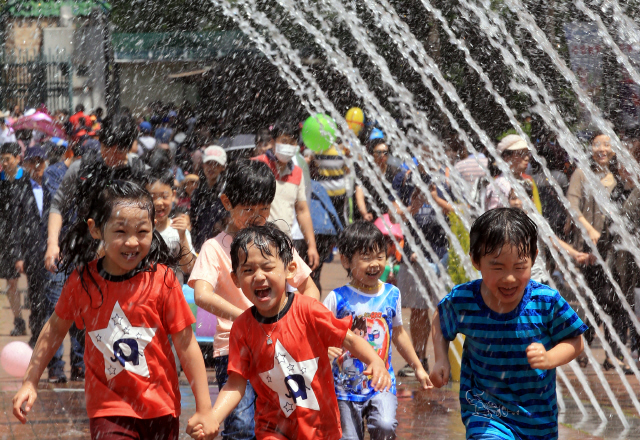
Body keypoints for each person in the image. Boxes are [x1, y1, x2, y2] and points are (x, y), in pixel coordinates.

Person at [12, 181, 218, 440]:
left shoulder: (163, 280)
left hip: (161, 408)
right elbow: (54, 329)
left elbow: (187, 346)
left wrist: (204, 408)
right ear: (96, 229)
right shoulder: (83, 282)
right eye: (120, 231)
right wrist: (30, 381)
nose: (132, 242)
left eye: (142, 231)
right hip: (108, 408)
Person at [189, 224, 392, 440]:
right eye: (248, 270)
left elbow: (349, 339)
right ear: (236, 279)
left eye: (267, 267)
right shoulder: (242, 328)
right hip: (273, 428)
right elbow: (235, 383)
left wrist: (375, 360)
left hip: (320, 428)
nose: (259, 276)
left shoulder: (308, 310)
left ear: (290, 269)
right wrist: (214, 417)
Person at [189, 159, 320, 440]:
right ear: (227, 202)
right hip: (235, 348)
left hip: (279, 348)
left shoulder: (278, 244)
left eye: (264, 208)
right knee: (242, 425)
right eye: (248, 208)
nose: (257, 215)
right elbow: (202, 294)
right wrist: (246, 319)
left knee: (284, 420)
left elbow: (309, 287)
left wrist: (305, 321)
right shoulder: (215, 248)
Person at [431, 208, 587, 440]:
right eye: (497, 267)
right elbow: (439, 320)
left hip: (536, 419)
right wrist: (441, 358)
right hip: (486, 413)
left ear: (533, 257)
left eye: (519, 267)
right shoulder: (464, 300)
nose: (510, 278)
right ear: (475, 260)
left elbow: (576, 341)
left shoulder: (545, 302)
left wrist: (549, 358)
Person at [323, 221, 432, 440]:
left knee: (385, 425)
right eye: (365, 258)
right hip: (344, 388)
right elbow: (318, 332)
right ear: (345, 260)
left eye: (380, 256)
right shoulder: (337, 298)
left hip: (381, 383)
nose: (375, 264)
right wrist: (325, 349)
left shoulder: (391, 294)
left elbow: (399, 334)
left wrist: (418, 367)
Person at [566, 131, 630, 371]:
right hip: (590, 251)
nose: (601, 149)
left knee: (615, 300)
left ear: (614, 149)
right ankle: (584, 345)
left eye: (607, 144)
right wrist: (589, 230)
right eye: (596, 144)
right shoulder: (581, 174)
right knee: (596, 299)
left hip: (616, 252)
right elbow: (572, 208)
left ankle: (611, 353)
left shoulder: (620, 178)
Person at [393, 164, 453, 377]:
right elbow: (392, 214)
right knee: (417, 310)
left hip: (441, 253)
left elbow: (459, 210)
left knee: (442, 309)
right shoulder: (403, 178)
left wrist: (435, 199)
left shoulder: (446, 177)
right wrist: (412, 208)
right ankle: (419, 359)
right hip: (412, 254)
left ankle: (444, 361)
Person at [254, 121, 319, 270]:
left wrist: (312, 246)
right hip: (256, 244)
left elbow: (302, 210)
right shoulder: (258, 166)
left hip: (284, 246)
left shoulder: (297, 173)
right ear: (272, 142)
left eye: (292, 142)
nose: (288, 146)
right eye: (284, 141)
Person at [18, 146, 50, 349]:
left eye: (40, 162)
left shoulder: (52, 186)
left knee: (53, 298)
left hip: (52, 250)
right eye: (33, 162)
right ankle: (36, 336)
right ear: (27, 165)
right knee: (36, 297)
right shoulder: (20, 189)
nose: (37, 166)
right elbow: (15, 223)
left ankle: (50, 338)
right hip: (31, 252)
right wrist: (18, 255)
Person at [0, 142, 30, 336]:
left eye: (7, 158)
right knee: (11, 282)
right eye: (2, 159)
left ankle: (38, 318)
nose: (4, 162)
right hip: (5, 237)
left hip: (27, 234)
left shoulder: (26, 178)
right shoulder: (0, 180)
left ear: (17, 158)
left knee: (32, 279)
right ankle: (18, 320)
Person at [145, 170, 196, 283]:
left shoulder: (178, 229)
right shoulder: (139, 230)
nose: (158, 203)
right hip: (145, 292)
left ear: (173, 195)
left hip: (172, 293)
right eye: (152, 197)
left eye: (164, 196)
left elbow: (188, 268)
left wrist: (182, 236)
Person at [485, 135, 542, 213]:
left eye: (527, 154)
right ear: (506, 157)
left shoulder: (525, 181)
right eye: (521, 154)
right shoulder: (500, 185)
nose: (526, 158)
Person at [190, 145, 227, 252]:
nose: (211, 167)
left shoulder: (227, 192)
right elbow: (193, 222)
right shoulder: (197, 193)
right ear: (203, 165)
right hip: (200, 247)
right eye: (208, 163)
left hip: (221, 248)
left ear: (223, 167)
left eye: (216, 164)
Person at [354, 139, 401, 222]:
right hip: (370, 213)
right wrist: (364, 213)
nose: (382, 155)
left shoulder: (394, 171)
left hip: (388, 214)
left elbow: (399, 194)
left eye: (385, 153)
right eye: (379, 152)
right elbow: (359, 194)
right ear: (372, 154)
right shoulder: (366, 172)